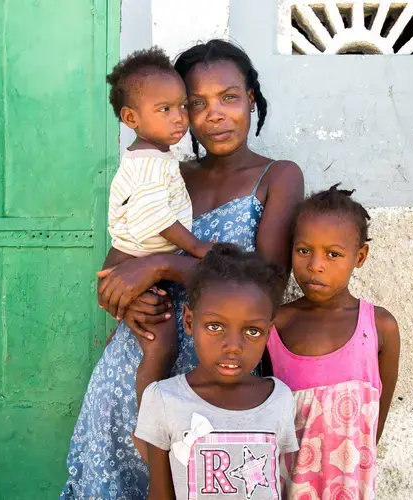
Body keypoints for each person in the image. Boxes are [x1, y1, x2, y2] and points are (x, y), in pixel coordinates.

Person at [61, 39, 304, 499]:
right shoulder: (167, 172)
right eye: (196, 103)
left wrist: (158, 266)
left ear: (251, 98)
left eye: (229, 97)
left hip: (210, 381)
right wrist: (122, 298)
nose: (214, 113)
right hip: (128, 368)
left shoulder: (278, 176)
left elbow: (267, 285)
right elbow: (118, 262)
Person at [265, 185, 401, 500]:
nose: (315, 265)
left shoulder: (379, 327)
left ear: (360, 257)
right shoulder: (276, 325)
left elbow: (375, 418)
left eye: (333, 254)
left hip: (350, 486)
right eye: (303, 250)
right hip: (290, 487)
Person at [135, 244, 298, 500]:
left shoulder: (279, 399)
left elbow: (282, 487)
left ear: (268, 332)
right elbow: (159, 493)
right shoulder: (163, 400)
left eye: (252, 331)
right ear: (189, 321)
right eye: (215, 326)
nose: (233, 347)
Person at [106, 46, 212, 259]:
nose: (179, 117)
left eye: (183, 105)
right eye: (165, 109)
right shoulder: (149, 164)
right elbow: (155, 214)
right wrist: (197, 247)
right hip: (129, 263)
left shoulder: (150, 156)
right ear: (131, 118)